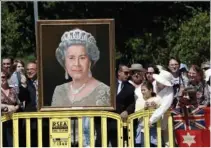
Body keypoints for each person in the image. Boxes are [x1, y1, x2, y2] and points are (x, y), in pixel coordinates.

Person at [51, 28, 110, 147]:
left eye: (82, 57)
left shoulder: (103, 90)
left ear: (90, 61)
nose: (76, 64)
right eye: (71, 58)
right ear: (64, 62)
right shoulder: (59, 90)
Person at [149, 70, 174, 147]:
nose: (157, 82)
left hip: (164, 118)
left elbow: (164, 107)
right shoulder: (153, 84)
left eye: (160, 82)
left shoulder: (170, 91)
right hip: (150, 114)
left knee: (167, 142)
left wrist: (152, 119)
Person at [135, 81, 161, 147]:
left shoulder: (157, 99)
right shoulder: (139, 100)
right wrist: (144, 108)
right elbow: (136, 115)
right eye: (142, 90)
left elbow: (161, 113)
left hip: (154, 128)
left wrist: (156, 107)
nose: (142, 92)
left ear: (150, 90)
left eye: (144, 90)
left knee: (154, 145)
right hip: (143, 128)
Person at [1, 68, 21, 147]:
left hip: (12, 121)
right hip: (1, 120)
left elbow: (19, 104)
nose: (2, 79)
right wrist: (8, 106)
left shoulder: (13, 90)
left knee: (12, 143)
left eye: (3, 77)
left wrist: (15, 108)